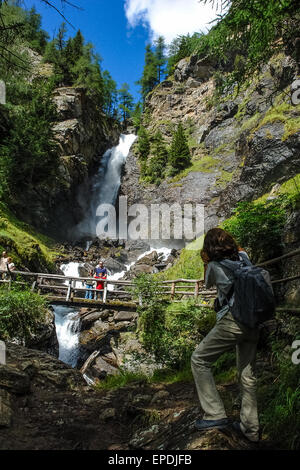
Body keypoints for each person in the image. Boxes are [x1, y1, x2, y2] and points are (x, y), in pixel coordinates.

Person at [191, 227, 260, 443]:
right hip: (254, 321)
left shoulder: (213, 265)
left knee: (199, 359)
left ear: (209, 249)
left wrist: (206, 261)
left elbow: (207, 283)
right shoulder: (244, 256)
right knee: (247, 375)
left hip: (234, 320)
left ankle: (215, 414)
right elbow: (242, 254)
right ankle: (251, 430)